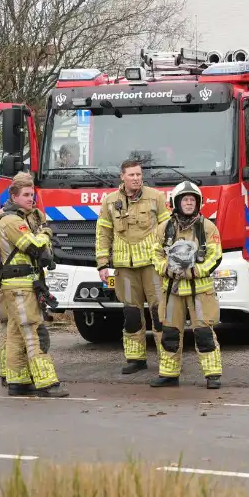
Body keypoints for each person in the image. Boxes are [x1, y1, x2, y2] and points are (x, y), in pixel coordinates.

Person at [0, 171, 68, 397]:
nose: (30, 199)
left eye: (32, 194)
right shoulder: (12, 221)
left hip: (15, 285)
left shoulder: (10, 217)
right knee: (35, 331)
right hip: (21, 285)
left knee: (14, 333)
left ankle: (18, 381)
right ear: (13, 196)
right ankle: (46, 383)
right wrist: (45, 233)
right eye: (25, 195)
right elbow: (35, 248)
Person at [95, 158, 171, 374]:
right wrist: (102, 264)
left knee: (160, 313)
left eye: (139, 174)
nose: (136, 178)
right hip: (125, 269)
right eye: (132, 175)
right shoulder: (110, 201)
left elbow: (168, 230)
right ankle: (135, 359)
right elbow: (103, 234)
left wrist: (167, 260)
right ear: (122, 177)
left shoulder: (156, 197)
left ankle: (168, 359)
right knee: (131, 314)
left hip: (152, 266)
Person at [150, 181, 224, 389]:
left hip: (199, 290)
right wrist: (166, 268)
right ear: (176, 202)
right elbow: (155, 254)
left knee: (204, 333)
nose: (189, 203)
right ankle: (169, 375)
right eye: (185, 200)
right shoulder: (164, 228)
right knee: (170, 333)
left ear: (198, 203)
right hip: (172, 290)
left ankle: (212, 375)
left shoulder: (207, 227)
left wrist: (195, 271)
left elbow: (215, 256)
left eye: (193, 200)